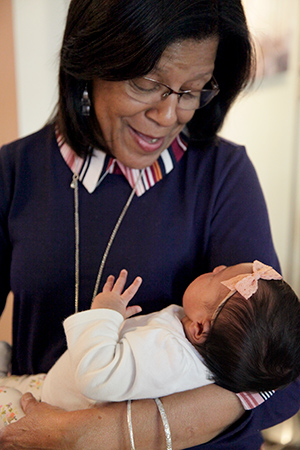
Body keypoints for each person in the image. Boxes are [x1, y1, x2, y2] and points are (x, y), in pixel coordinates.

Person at [0, 0, 299, 448]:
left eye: (193, 89)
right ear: (90, 63)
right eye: (146, 84)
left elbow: (279, 380)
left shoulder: (221, 174)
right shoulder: (15, 170)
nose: (168, 116)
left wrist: (95, 433)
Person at [0, 260, 299, 427]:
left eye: (215, 277)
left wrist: (105, 313)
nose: (217, 266)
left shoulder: (171, 356)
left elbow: (97, 375)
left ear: (199, 328)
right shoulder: (192, 343)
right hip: (52, 388)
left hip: (52, 413)